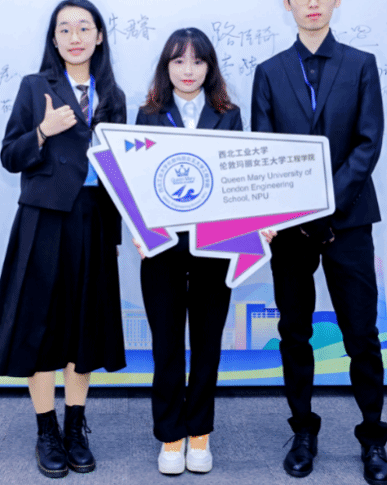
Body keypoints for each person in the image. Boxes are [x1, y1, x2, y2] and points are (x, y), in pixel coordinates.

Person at [251, 0, 387, 485]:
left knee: (362, 334)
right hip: (290, 228)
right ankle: (303, 432)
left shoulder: (361, 64)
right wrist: (296, 210)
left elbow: (368, 143)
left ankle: (373, 437)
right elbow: (264, 151)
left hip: (349, 221)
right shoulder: (269, 72)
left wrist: (325, 204)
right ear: (287, 3)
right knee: (294, 332)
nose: (313, 2)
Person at [0, 0, 127, 479]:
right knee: (40, 326)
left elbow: (121, 169)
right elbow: (10, 156)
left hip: (93, 220)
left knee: (83, 326)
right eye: (64, 29)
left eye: (83, 27)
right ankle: (46, 430)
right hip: (44, 220)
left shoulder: (113, 95)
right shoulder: (35, 87)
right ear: (54, 38)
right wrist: (43, 132)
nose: (74, 37)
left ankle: (75, 427)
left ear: (99, 36)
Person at [133, 28, 242, 475]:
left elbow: (238, 182)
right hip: (162, 246)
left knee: (207, 343)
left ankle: (199, 433)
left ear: (209, 67)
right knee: (166, 345)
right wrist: (139, 229)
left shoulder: (229, 115)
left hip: (216, 246)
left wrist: (253, 228)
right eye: (179, 61)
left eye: (198, 61)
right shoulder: (148, 115)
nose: (188, 70)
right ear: (167, 67)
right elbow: (136, 181)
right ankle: (170, 436)